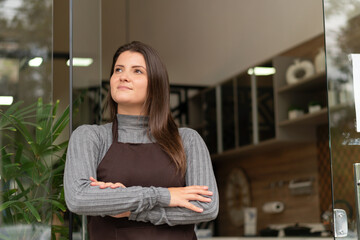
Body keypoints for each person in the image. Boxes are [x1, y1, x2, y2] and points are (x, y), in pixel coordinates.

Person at [64, 41, 219, 240]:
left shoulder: (187, 140)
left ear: (155, 84)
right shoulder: (91, 137)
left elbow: (206, 207)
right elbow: (79, 198)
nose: (123, 76)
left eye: (137, 71)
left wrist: (133, 210)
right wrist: (165, 196)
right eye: (118, 69)